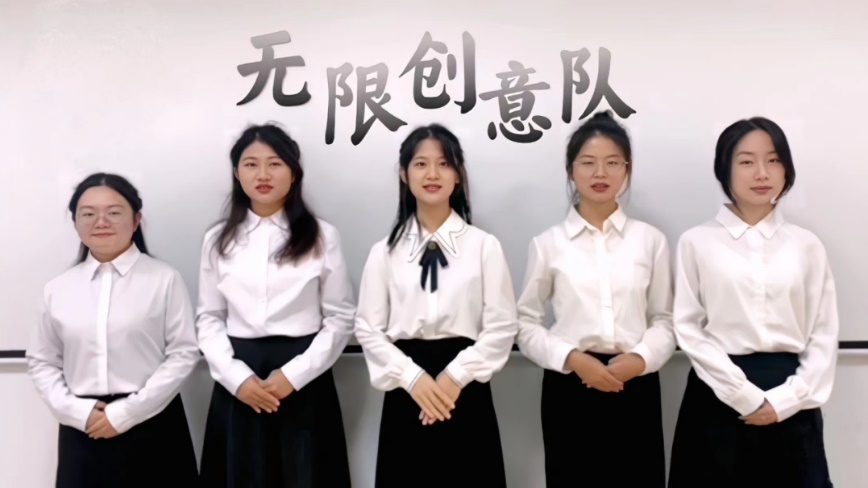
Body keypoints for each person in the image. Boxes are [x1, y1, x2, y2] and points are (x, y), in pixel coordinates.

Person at [668, 116, 838, 488]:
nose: (762, 173)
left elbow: (824, 334)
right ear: (724, 169)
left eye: (773, 160)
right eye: (746, 161)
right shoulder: (697, 241)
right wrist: (742, 395)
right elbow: (688, 327)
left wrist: (786, 400)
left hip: (792, 397)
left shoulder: (806, 244)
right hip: (717, 394)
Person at [515, 110, 674, 488]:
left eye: (612, 163)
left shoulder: (650, 241)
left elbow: (665, 319)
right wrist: (572, 359)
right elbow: (524, 322)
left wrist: (640, 359)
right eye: (588, 163)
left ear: (627, 170)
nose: (600, 173)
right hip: (571, 387)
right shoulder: (548, 244)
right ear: (571, 171)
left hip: (635, 384)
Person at [354, 124, 517, 488]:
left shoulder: (483, 246)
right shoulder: (384, 253)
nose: (432, 174)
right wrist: (413, 379)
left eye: (444, 164)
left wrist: (454, 377)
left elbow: (502, 326)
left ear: (458, 174)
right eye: (421, 164)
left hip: (465, 389)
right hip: (407, 390)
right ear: (404, 174)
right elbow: (367, 328)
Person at [196, 124, 355, 487]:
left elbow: (340, 318)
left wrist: (294, 376)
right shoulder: (218, 239)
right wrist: (236, 378)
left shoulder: (321, 235)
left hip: (304, 376)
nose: (263, 175)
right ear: (237, 173)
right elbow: (209, 317)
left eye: (275, 164)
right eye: (251, 164)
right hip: (240, 378)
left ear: (294, 172)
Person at [26, 173, 199, 488]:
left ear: (136, 220)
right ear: (76, 223)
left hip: (153, 421)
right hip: (84, 427)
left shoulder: (164, 279)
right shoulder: (58, 289)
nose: (100, 222)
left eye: (114, 212)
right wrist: (77, 412)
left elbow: (183, 353)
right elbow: (42, 361)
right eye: (88, 214)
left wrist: (128, 413)